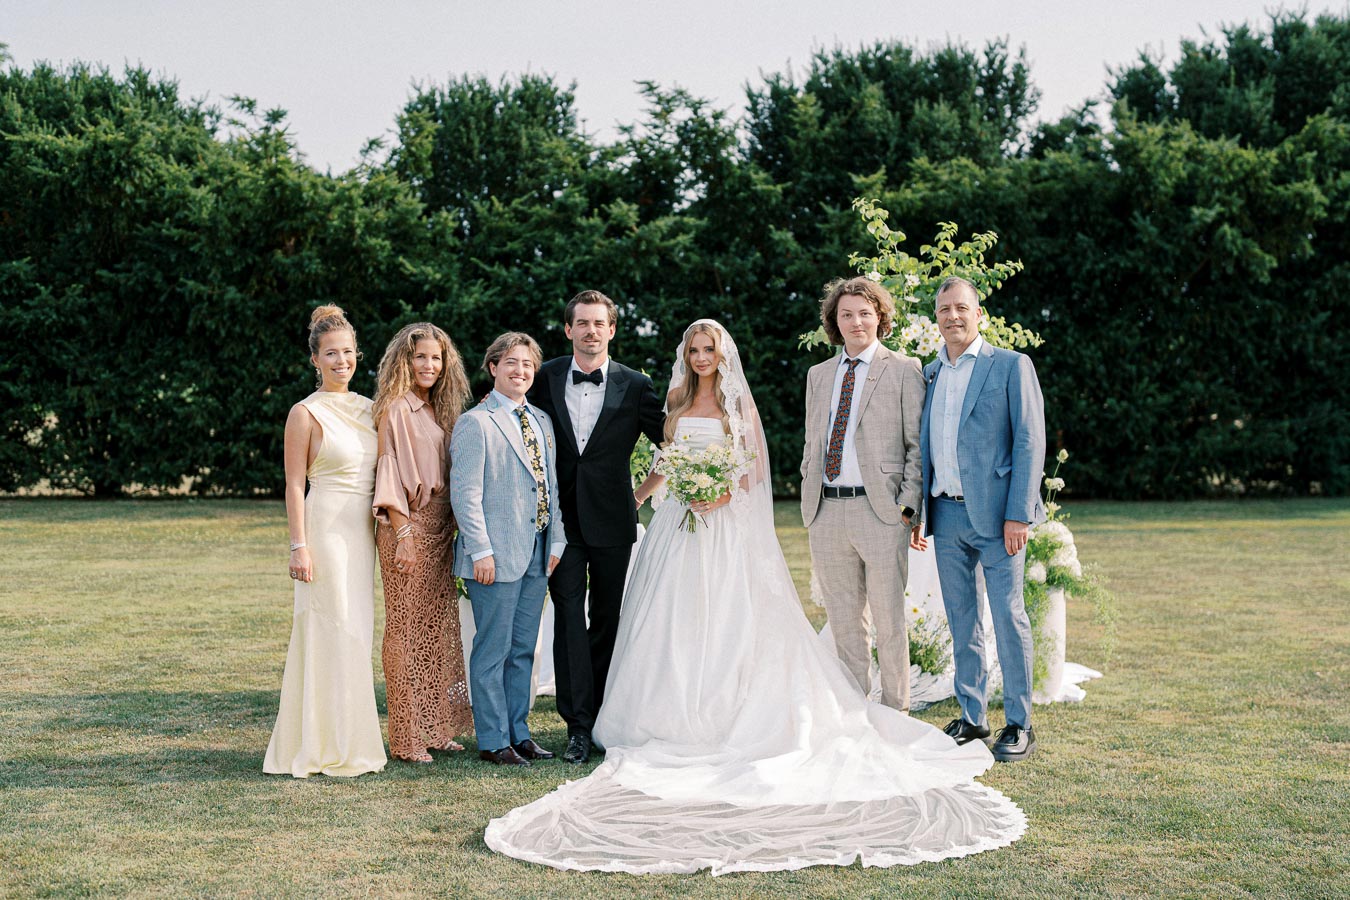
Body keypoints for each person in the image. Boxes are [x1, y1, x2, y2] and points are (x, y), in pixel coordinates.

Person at [484, 319, 1026, 874]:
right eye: (693, 350)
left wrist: (719, 493)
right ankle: (654, 717)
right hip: (678, 524)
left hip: (725, 527)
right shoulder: (671, 399)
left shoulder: (736, 402)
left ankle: (742, 714)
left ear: (723, 354)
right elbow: (666, 460)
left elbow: (754, 467)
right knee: (668, 622)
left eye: (709, 349)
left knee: (729, 622)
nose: (700, 358)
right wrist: (644, 491)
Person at [526, 290, 664, 765]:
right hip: (560, 523)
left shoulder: (636, 384)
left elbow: (675, 443)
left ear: (612, 329)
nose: (590, 331)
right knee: (568, 616)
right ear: (568, 330)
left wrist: (641, 494)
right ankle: (577, 726)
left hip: (613, 521)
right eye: (581, 323)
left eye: (598, 323)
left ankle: (604, 713)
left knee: (606, 618)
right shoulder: (543, 378)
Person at [914, 276, 1047, 762]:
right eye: (944, 308)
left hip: (998, 518)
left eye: (961, 307)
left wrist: (1019, 514)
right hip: (945, 514)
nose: (953, 316)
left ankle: (1019, 722)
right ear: (937, 316)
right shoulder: (929, 372)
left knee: (1009, 617)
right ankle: (973, 717)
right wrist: (919, 510)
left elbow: (1030, 441)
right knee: (961, 618)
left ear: (978, 313)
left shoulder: (1011, 366)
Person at [264, 305, 387, 778]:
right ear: (315, 359)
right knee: (328, 628)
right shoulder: (305, 413)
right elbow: (295, 484)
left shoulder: (370, 409)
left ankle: (352, 739)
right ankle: (316, 744)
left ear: (358, 355)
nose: (341, 361)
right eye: (331, 354)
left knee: (356, 630)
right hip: (325, 528)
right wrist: (299, 545)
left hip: (363, 534)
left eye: (348, 353)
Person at [801, 276, 925, 712]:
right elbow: (812, 441)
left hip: (882, 513)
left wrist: (908, 506)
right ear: (835, 321)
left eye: (865, 313)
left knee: (889, 620)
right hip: (826, 511)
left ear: (880, 318)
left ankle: (896, 711)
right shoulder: (819, 375)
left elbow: (916, 447)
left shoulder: (904, 369)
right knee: (845, 623)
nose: (856, 322)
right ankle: (855, 711)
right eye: (847, 314)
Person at [450, 332, 565, 767]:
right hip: (494, 557)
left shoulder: (541, 420)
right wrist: (480, 550)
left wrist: (556, 539)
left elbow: (552, 486)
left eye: (527, 365)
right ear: (493, 367)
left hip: (537, 552)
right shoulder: (476, 423)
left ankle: (520, 732)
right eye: (511, 363)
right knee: (492, 649)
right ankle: (494, 739)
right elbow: (466, 494)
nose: (520, 371)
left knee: (524, 649)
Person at [371, 322, 473, 763]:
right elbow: (389, 470)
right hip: (406, 526)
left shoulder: (441, 411)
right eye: (420, 357)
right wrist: (405, 534)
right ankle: (407, 737)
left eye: (436, 357)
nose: (429, 365)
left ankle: (437, 727)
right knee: (406, 631)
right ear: (404, 362)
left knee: (436, 632)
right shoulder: (396, 409)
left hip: (441, 529)